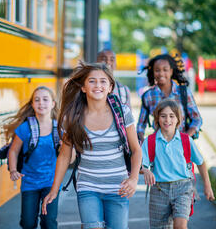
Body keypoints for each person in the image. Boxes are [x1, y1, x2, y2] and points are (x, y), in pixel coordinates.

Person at [41, 62, 142, 229]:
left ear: (110, 87)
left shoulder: (122, 113)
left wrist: (133, 179)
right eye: (92, 81)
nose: (98, 85)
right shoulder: (73, 116)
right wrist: (54, 189)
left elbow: (136, 150)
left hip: (118, 187)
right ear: (83, 87)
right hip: (88, 187)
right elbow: (65, 155)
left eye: (103, 81)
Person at [141, 98, 214, 229]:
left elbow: (201, 163)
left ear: (178, 119)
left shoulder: (186, 140)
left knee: (180, 226)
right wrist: (145, 170)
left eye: (171, 116)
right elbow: (141, 165)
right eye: (163, 116)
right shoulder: (150, 141)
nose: (167, 120)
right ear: (157, 119)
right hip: (159, 190)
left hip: (183, 188)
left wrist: (207, 186)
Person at [7, 86, 60, 229]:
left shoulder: (60, 129)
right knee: (28, 223)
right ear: (32, 104)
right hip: (29, 183)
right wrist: (13, 170)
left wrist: (68, 145)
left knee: (48, 223)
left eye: (45, 99)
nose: (41, 103)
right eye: (37, 100)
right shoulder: (25, 128)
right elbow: (13, 151)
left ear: (53, 103)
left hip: (51, 183)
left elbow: (70, 158)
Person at [137, 54, 202, 143]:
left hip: (182, 146)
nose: (161, 73)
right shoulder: (148, 96)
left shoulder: (184, 92)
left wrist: (185, 138)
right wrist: (143, 142)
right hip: (159, 148)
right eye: (157, 70)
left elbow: (197, 119)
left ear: (171, 71)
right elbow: (141, 126)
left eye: (165, 70)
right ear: (153, 72)